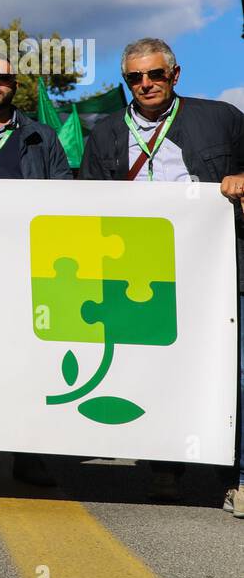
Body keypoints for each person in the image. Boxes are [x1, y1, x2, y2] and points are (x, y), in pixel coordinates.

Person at [80, 36, 244, 515]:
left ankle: (234, 475)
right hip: (142, 274)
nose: (146, 84)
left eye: (155, 74)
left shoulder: (221, 119)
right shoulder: (107, 133)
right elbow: (88, 204)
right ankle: (165, 466)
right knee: (156, 369)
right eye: (135, 77)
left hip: (218, 269)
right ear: (125, 82)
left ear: (176, 75)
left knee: (232, 371)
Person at [0, 51, 71, 487]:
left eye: (4, 77)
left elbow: (67, 196)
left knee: (32, 359)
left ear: (15, 84)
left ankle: (29, 451)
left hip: (27, 264)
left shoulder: (41, 136)